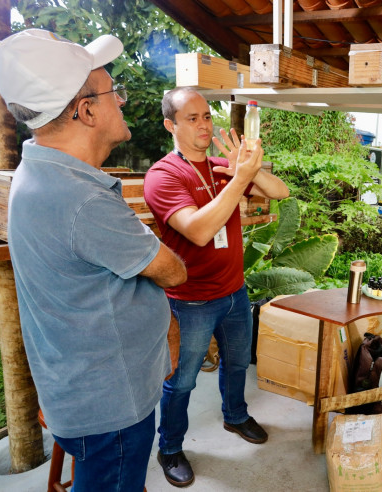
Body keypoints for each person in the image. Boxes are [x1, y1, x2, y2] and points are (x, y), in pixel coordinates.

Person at [0, 29, 187, 490]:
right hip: (110, 406)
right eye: (112, 91)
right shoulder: (82, 200)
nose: (120, 100)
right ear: (86, 110)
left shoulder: (38, 169)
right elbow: (173, 270)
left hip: (78, 388)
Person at [143, 87, 289, 487]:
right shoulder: (163, 175)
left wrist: (248, 170)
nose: (204, 125)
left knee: (238, 362)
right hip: (189, 302)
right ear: (170, 125)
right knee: (183, 379)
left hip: (234, 292)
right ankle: (170, 446)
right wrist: (239, 177)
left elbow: (280, 192)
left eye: (207, 116)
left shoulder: (224, 167)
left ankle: (236, 416)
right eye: (192, 119)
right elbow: (201, 231)